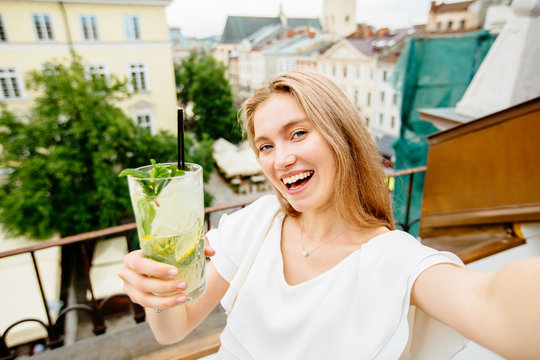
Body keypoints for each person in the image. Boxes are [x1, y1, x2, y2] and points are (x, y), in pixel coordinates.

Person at [119, 69, 540, 359]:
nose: (280, 159)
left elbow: (490, 303)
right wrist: (156, 293)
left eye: (298, 133)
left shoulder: (392, 257)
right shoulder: (257, 222)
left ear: (342, 136)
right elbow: (171, 330)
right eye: (265, 145)